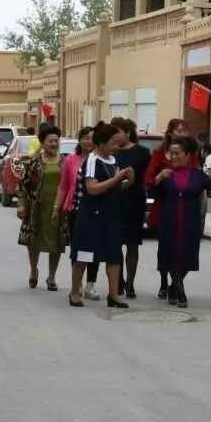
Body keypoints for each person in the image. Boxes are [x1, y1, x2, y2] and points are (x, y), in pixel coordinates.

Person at [69, 122, 133, 308]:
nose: (116, 147)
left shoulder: (113, 160)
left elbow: (117, 187)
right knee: (85, 255)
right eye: (113, 143)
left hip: (110, 213)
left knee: (114, 255)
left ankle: (113, 295)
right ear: (101, 143)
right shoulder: (92, 160)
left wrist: (129, 179)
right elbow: (92, 188)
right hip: (91, 215)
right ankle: (75, 292)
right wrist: (115, 178)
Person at [150, 136, 211, 308]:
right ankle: (180, 291)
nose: (173, 157)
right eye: (171, 154)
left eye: (177, 153)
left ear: (187, 155)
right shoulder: (166, 174)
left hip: (190, 223)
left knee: (187, 256)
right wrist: (158, 178)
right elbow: (152, 193)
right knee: (170, 255)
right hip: (169, 221)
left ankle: (174, 286)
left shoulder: (197, 175)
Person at [145, 118, 197, 299]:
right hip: (164, 206)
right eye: (178, 130)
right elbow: (149, 180)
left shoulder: (192, 154)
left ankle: (177, 281)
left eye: (185, 130)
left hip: (186, 207)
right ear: (170, 133)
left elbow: (198, 177)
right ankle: (164, 282)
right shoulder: (159, 154)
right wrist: (160, 176)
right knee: (166, 247)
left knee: (184, 248)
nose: (182, 133)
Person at [18, 124, 67, 291]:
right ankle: (33, 270)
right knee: (34, 242)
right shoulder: (34, 162)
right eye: (50, 141)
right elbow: (24, 185)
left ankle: (52, 276)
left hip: (57, 208)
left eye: (56, 141)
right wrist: (21, 204)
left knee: (56, 243)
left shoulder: (64, 162)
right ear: (42, 143)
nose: (54, 144)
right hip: (36, 208)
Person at [58, 126, 101, 299]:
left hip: (96, 211)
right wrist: (57, 208)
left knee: (94, 249)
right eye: (85, 137)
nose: (89, 141)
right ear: (80, 140)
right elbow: (63, 187)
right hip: (75, 209)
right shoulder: (70, 160)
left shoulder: (101, 160)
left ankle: (91, 284)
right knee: (79, 249)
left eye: (92, 138)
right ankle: (77, 284)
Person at [112, 117, 152, 299]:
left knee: (133, 244)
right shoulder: (111, 153)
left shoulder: (142, 153)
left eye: (118, 131)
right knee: (116, 243)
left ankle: (130, 283)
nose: (115, 136)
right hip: (115, 200)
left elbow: (148, 178)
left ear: (127, 132)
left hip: (134, 201)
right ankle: (118, 280)